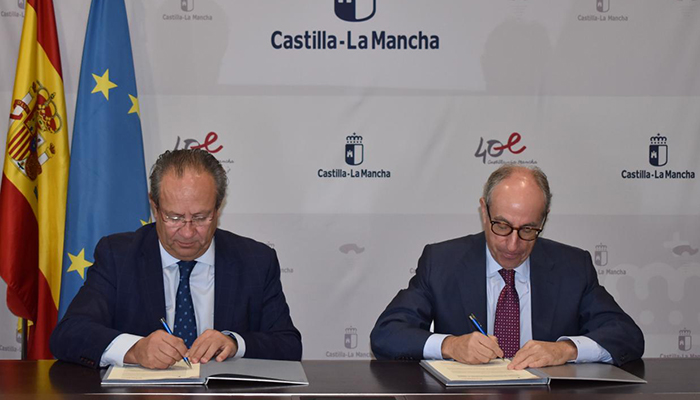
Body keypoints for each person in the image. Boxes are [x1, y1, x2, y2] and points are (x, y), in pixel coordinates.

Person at [370, 165, 644, 369]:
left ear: (544, 219)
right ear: (484, 210)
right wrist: (450, 345)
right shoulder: (442, 262)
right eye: (501, 226)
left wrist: (566, 349)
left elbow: (627, 335)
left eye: (528, 229)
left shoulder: (572, 267)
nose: (512, 245)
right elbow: (386, 334)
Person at [51, 149, 302, 369]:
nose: (188, 232)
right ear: (155, 207)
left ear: (218, 209)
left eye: (201, 217)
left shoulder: (255, 261)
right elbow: (69, 334)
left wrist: (235, 343)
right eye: (174, 217)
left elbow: (288, 345)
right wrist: (134, 350)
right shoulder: (118, 256)